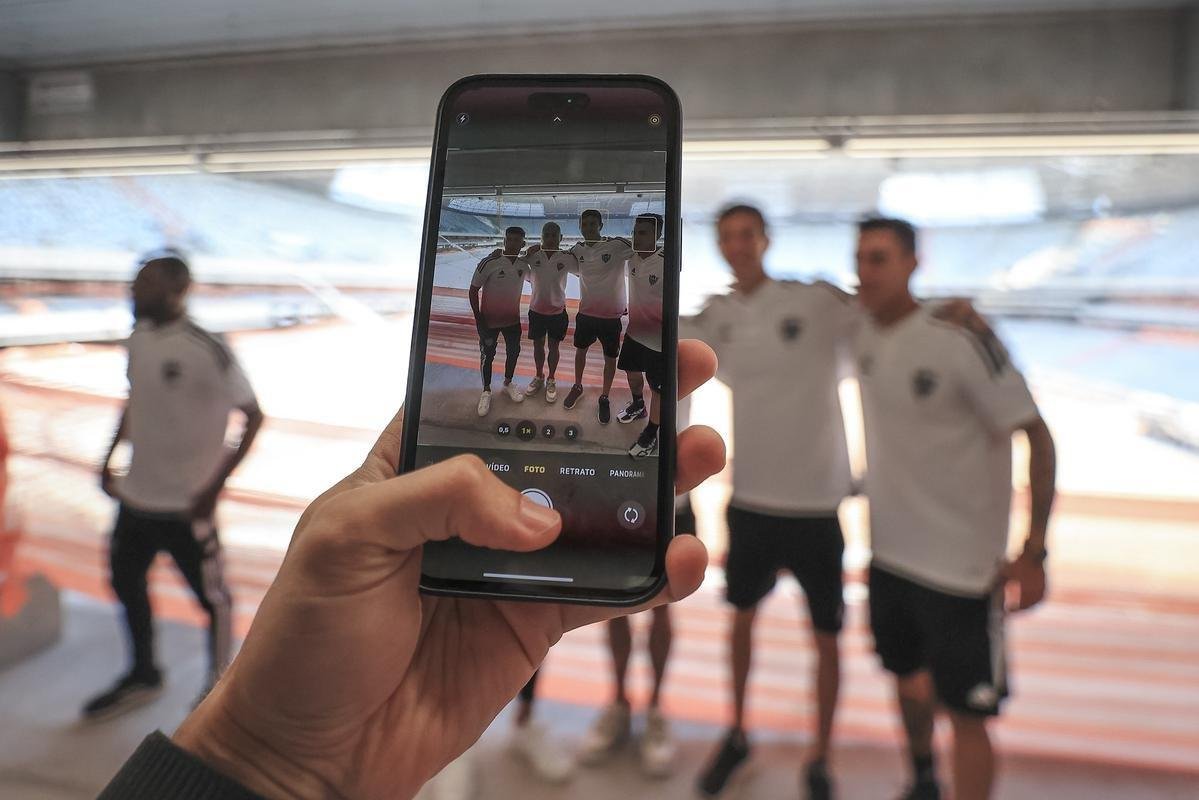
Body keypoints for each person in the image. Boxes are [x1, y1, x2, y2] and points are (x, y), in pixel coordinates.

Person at [97, 340, 725, 800]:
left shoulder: (651, 330)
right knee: (566, 596)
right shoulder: (545, 344)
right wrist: (261, 756)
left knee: (630, 590)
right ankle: (604, 711)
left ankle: (647, 711)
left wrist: (259, 759)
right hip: (554, 478)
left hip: (631, 481)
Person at [853, 217, 1056, 800]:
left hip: (963, 575)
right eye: (861, 258)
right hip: (890, 558)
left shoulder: (962, 336)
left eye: (880, 258)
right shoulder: (861, 330)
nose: (867, 271)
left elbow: (1038, 437)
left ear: (914, 262)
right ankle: (921, 779)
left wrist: (1034, 551)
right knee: (907, 681)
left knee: (969, 716)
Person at [687, 205, 857, 800]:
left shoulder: (816, 302)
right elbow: (656, 331)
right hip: (752, 500)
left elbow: (886, 319)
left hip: (816, 506)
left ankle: (821, 755)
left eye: (745, 235)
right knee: (740, 621)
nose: (737, 246)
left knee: (828, 635)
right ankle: (736, 733)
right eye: (726, 237)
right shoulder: (718, 315)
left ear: (765, 239)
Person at [84, 253, 264, 720]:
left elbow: (254, 414)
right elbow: (135, 400)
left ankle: (216, 693)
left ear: (177, 291)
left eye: (144, 284)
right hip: (136, 498)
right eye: (134, 282)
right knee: (126, 582)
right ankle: (144, 673)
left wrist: (212, 488)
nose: (133, 291)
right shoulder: (138, 339)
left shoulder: (207, 346)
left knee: (213, 601)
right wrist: (109, 459)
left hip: (187, 507)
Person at [579, 396, 695, 777]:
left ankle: (656, 709)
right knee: (615, 607)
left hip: (671, 496)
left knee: (662, 607)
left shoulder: (691, 337)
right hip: (613, 482)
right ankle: (619, 703)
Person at [551, 209, 632, 423]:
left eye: (592, 224)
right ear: (580, 227)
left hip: (610, 317)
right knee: (580, 353)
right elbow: (559, 257)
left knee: (610, 359)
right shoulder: (577, 249)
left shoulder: (617, 245)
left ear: (600, 225)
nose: (588, 227)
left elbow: (642, 254)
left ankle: (604, 397)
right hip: (586, 314)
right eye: (584, 224)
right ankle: (577, 386)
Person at [615, 213, 668, 458]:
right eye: (635, 232)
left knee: (657, 390)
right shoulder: (631, 258)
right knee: (632, 373)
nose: (636, 237)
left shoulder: (668, 262)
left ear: (657, 235)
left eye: (643, 232)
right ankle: (638, 406)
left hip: (659, 341)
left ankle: (651, 435)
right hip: (634, 332)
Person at [470, 227, 529, 416]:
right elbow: (473, 291)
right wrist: (478, 318)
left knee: (514, 352)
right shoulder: (489, 262)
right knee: (487, 356)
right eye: (509, 239)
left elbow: (537, 269)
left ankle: (508, 382)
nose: (512, 243)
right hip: (489, 321)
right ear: (504, 241)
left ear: (522, 244)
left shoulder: (523, 265)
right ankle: (486, 390)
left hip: (512, 320)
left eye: (516, 240)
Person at [521, 221, 577, 404]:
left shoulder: (567, 258)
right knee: (538, 347)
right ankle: (539, 376)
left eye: (554, 235)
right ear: (541, 237)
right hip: (536, 311)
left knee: (554, 347)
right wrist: (526, 253)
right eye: (547, 235)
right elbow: (519, 267)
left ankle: (551, 379)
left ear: (561, 238)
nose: (551, 238)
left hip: (557, 312)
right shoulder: (533, 255)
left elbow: (586, 272)